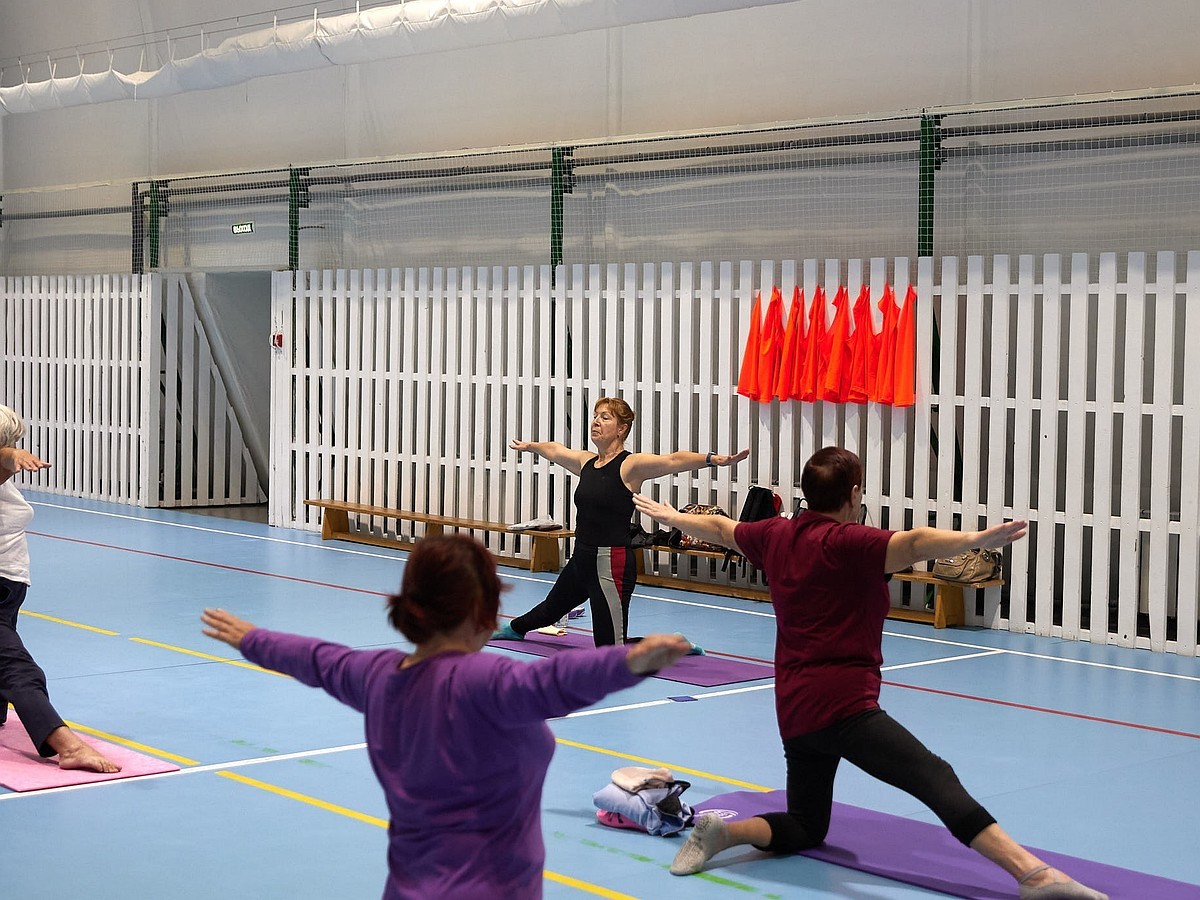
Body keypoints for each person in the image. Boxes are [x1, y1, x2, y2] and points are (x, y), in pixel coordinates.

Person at [632, 447, 1107, 900]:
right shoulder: (848, 543)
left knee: (807, 824)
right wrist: (975, 540)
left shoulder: (775, 534)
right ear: (854, 493)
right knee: (933, 776)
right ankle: (1032, 874)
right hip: (844, 708)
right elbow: (916, 542)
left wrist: (670, 517)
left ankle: (723, 831)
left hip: (795, 711)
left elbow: (718, 527)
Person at [201, 533, 691, 900]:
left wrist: (251, 638)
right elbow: (554, 683)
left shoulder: (374, 673)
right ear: (483, 610)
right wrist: (630, 661)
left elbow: (314, 659)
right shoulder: (487, 682)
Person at [495, 396, 748, 647]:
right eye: (595, 416)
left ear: (621, 429)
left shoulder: (630, 466)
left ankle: (672, 646)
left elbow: (673, 460)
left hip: (610, 564)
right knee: (551, 610)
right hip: (582, 559)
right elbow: (556, 449)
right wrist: (532, 446)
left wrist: (714, 460)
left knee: (609, 648)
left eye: (605, 418)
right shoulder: (586, 462)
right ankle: (514, 629)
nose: (596, 421)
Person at [0, 405, 120, 773]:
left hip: (8, 589)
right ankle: (65, 744)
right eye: (11, 441)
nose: (17, 447)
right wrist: (8, 454)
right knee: (16, 667)